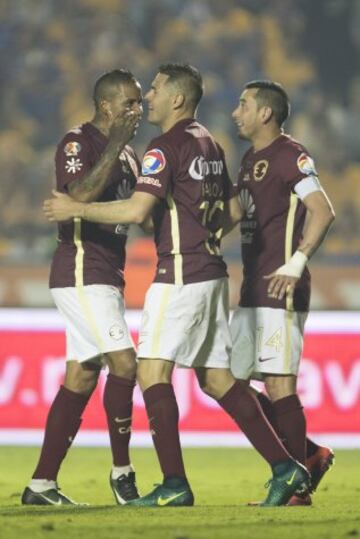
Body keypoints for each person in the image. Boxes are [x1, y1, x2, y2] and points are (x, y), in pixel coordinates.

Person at [44, 63, 311, 507]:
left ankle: (174, 484)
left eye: (154, 89)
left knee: (149, 370)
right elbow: (231, 212)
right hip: (212, 273)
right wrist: (200, 232)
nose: (148, 96)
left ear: (178, 99)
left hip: (181, 275)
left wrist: (76, 208)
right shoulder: (211, 143)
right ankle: (287, 468)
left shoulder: (163, 148)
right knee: (218, 378)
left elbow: (135, 211)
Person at [22, 69, 143, 506]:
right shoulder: (79, 142)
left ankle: (41, 485)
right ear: (107, 105)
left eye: (140, 102)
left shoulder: (130, 156)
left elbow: (138, 213)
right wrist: (114, 146)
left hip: (106, 273)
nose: (137, 110)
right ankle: (122, 473)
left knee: (82, 375)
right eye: (130, 102)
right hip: (79, 269)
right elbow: (79, 194)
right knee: (125, 364)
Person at [230, 80, 335, 505]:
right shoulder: (249, 158)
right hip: (252, 289)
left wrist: (296, 262)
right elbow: (238, 213)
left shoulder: (292, 155)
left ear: (265, 114)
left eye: (244, 104)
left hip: (280, 287)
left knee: (278, 383)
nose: (236, 112)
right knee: (224, 379)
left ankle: (297, 488)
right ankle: (309, 454)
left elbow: (323, 210)